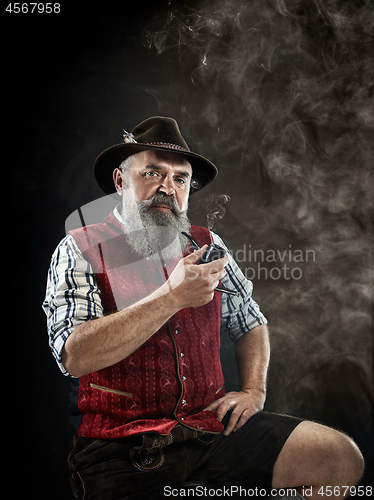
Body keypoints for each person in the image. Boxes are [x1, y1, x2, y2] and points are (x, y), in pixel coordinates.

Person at [43, 116, 364, 500]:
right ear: (119, 181)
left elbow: (251, 321)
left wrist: (253, 391)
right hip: (122, 450)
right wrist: (171, 298)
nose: (168, 188)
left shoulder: (207, 243)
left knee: (338, 458)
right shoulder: (79, 249)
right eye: (153, 173)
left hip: (210, 433)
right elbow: (74, 355)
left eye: (180, 179)